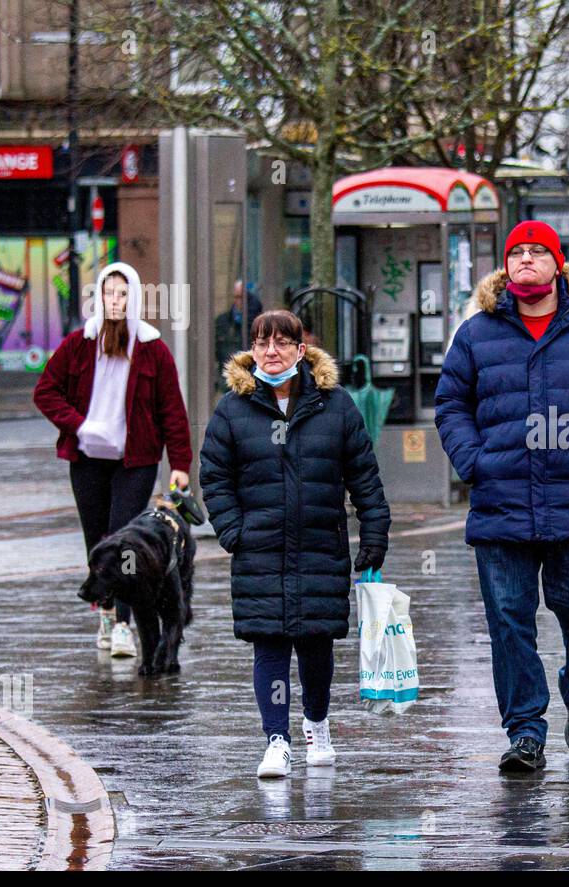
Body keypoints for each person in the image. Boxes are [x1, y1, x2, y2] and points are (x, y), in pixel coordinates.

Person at [435, 221, 569, 772]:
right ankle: (525, 730)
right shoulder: (477, 332)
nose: (526, 259)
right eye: (516, 253)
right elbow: (450, 403)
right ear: (506, 267)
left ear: (558, 265)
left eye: (537, 252)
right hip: (501, 499)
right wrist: (472, 461)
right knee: (509, 619)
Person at [199, 309, 391, 779]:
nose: (271, 350)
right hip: (259, 549)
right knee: (268, 643)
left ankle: (317, 725)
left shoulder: (335, 404)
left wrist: (375, 530)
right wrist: (233, 531)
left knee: (315, 645)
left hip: (320, 544)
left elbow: (363, 474)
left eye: (282, 342)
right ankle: (276, 740)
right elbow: (214, 476)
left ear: (301, 350)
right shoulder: (233, 409)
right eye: (263, 342)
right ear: (252, 350)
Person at [33, 262, 192, 659]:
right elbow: (46, 391)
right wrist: (80, 425)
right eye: (109, 293)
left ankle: (123, 625)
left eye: (123, 294)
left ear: (134, 298)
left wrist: (180, 465)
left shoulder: (153, 349)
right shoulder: (79, 343)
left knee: (124, 540)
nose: (116, 301)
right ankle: (105, 614)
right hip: (87, 459)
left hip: (134, 460)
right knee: (97, 540)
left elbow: (172, 411)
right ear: (99, 297)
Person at [214, 280, 263, 393]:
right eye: (236, 297)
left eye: (242, 298)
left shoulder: (257, 321)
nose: (239, 302)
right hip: (228, 376)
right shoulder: (223, 321)